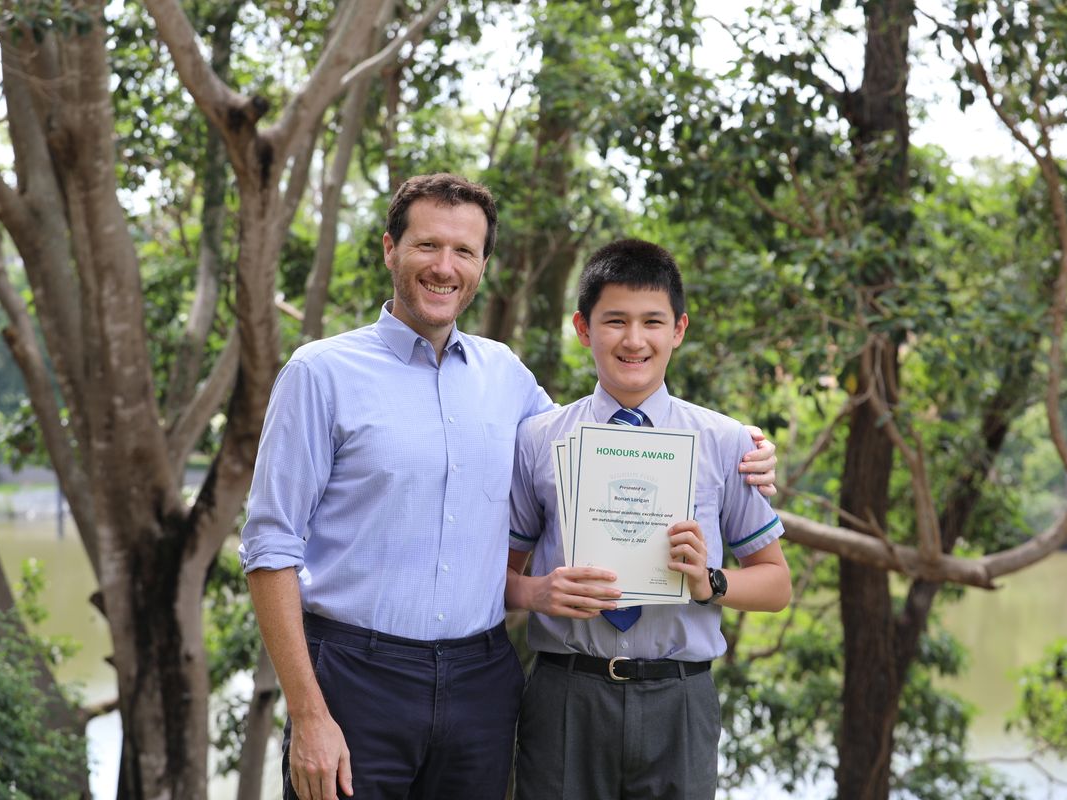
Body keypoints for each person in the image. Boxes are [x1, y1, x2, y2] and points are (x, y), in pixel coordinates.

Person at [239, 174, 778, 800]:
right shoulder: (320, 373)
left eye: (464, 251)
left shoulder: (506, 376)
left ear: (482, 265)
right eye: (427, 245)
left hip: (480, 686)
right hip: (357, 678)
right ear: (390, 248)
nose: (445, 267)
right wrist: (308, 712)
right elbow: (270, 547)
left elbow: (599, 442)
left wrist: (748, 449)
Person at [505, 238, 792, 800]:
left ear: (678, 329)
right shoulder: (539, 440)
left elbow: (777, 583)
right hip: (566, 696)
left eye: (652, 322)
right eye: (615, 321)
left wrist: (710, 583)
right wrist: (537, 592)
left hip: (679, 701)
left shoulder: (727, 442)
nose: (634, 340)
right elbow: (498, 576)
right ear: (583, 329)